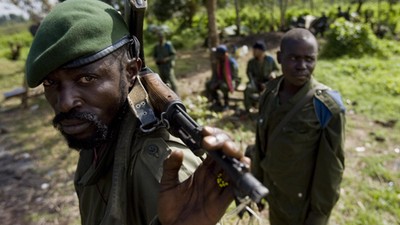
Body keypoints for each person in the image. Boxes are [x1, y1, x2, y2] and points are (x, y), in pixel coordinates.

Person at [25, 0, 248, 224]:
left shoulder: (158, 165)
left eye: (86, 78)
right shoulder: (97, 133)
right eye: (50, 82)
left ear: (131, 71)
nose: (64, 103)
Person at [251, 28, 345, 225]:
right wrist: (256, 184)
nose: (302, 66)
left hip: (303, 206)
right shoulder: (270, 94)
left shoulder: (326, 105)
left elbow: (331, 168)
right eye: (294, 58)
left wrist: (318, 215)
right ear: (279, 57)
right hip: (275, 194)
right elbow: (261, 144)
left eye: (309, 59)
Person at [243, 41, 279, 113]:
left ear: (260, 51)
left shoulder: (270, 60)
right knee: (248, 89)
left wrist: (273, 73)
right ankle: (249, 108)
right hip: (256, 83)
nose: (253, 52)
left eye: (254, 50)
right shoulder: (251, 62)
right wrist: (255, 82)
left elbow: (276, 70)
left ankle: (271, 109)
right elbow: (249, 73)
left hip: (268, 83)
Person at [205, 45, 240, 110]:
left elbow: (234, 77)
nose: (216, 55)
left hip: (232, 82)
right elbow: (216, 75)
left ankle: (226, 104)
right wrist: (214, 82)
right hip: (221, 81)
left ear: (222, 55)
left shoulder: (231, 62)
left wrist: (221, 82)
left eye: (217, 54)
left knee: (223, 86)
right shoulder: (219, 62)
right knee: (209, 84)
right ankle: (217, 101)